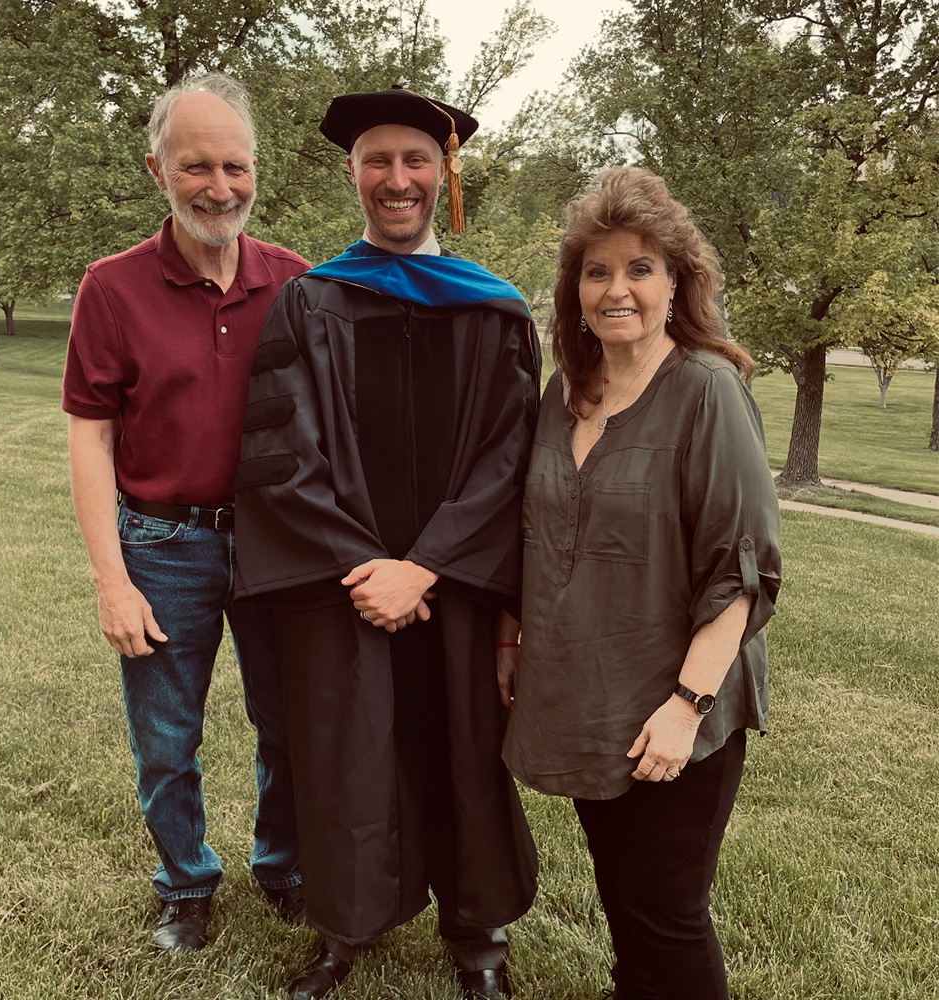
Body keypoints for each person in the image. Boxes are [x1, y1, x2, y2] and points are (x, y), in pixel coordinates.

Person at [233, 87, 540, 1000]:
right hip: (346, 584)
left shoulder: (495, 311)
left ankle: (475, 931)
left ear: (445, 174)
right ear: (352, 172)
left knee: (465, 744)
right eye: (377, 160)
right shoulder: (310, 302)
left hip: (454, 582)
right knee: (344, 752)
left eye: (416, 160)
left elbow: (513, 454)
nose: (396, 178)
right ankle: (343, 927)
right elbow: (282, 456)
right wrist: (371, 570)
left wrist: (427, 564)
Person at [501, 166, 782, 1000]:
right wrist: (508, 637)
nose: (616, 288)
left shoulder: (705, 389)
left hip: (672, 704)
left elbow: (742, 572)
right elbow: (532, 534)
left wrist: (686, 707)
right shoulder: (564, 393)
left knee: (667, 911)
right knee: (624, 898)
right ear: (575, 287)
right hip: (588, 698)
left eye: (639, 268)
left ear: (676, 282)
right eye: (597, 270)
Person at [63, 73, 309, 951]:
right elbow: (89, 438)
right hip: (164, 543)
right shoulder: (112, 288)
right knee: (167, 737)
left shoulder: (296, 282)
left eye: (235, 165)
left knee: (292, 721)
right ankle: (186, 883)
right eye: (196, 165)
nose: (219, 186)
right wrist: (112, 579)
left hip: (280, 542)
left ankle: (284, 866)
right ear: (156, 170)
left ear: (257, 170)